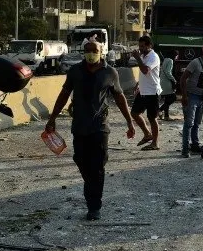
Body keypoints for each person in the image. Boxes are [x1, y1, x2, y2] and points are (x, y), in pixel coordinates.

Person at [45, 41, 135, 221]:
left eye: (95, 51)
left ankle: (94, 206)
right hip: (79, 125)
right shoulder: (75, 71)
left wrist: (129, 122)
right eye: (87, 51)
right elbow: (63, 95)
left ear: (101, 52)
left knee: (98, 166)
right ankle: (91, 186)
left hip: (100, 127)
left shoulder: (110, 72)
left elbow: (119, 98)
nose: (91, 54)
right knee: (80, 160)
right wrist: (52, 118)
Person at [130, 35, 162, 150]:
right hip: (143, 91)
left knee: (152, 118)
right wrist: (138, 84)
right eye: (140, 46)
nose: (140, 48)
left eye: (143, 46)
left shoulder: (153, 57)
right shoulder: (144, 56)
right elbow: (143, 73)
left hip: (152, 92)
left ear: (149, 46)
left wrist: (138, 58)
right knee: (134, 113)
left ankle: (155, 143)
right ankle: (147, 134)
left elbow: (145, 70)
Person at [158, 50, 178, 120]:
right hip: (167, 82)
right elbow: (168, 72)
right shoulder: (170, 61)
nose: (176, 57)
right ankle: (160, 110)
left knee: (167, 99)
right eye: (176, 56)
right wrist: (174, 80)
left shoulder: (165, 59)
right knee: (173, 98)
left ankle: (166, 116)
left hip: (162, 81)